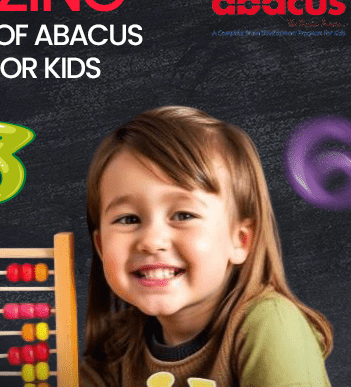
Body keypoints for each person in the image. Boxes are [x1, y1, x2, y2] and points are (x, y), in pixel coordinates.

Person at [80, 106, 332, 387]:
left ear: (240, 240)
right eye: (128, 219)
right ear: (101, 247)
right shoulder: (116, 352)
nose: (151, 241)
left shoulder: (273, 326)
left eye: (183, 215)